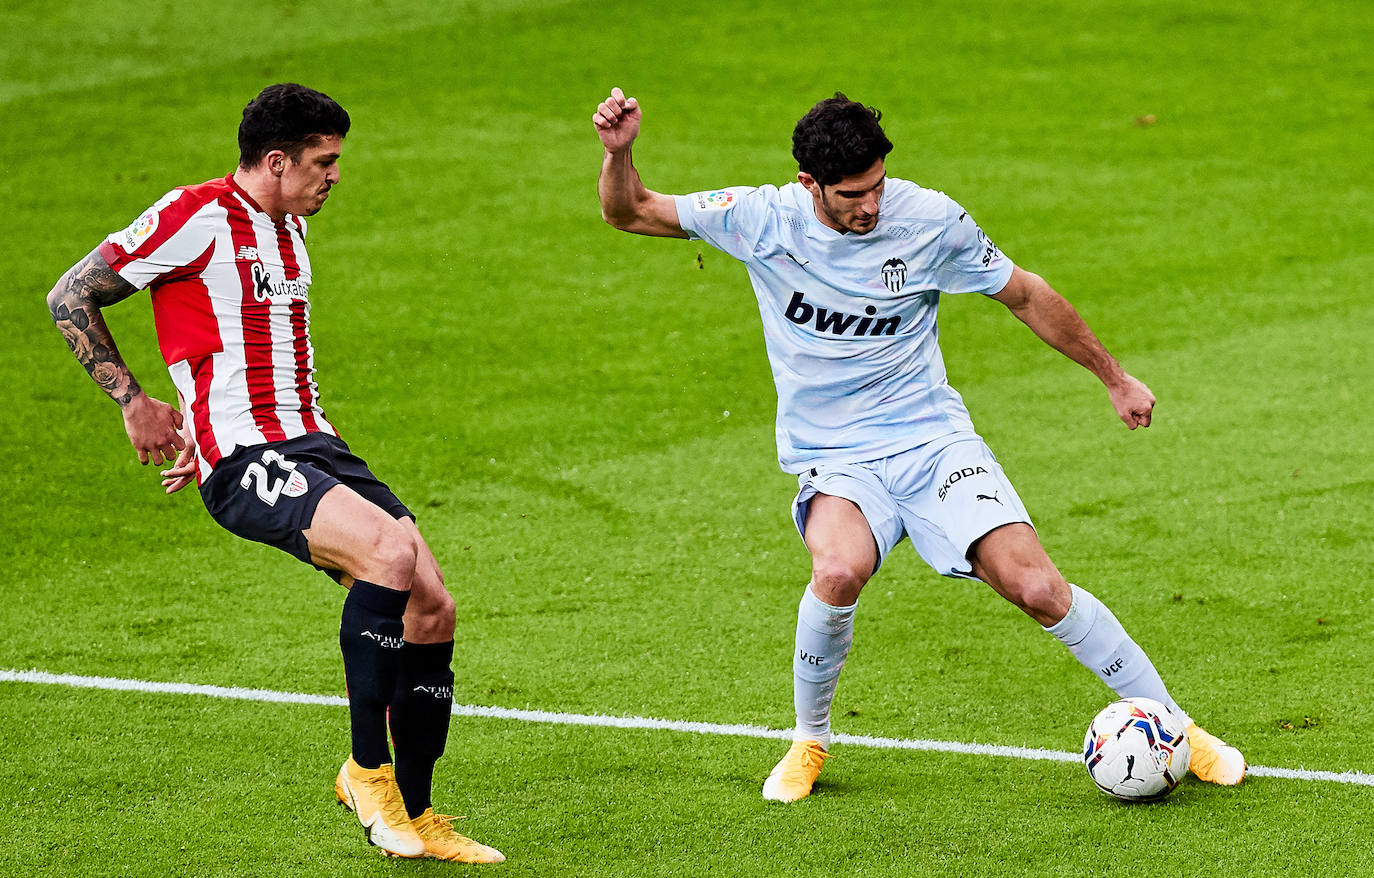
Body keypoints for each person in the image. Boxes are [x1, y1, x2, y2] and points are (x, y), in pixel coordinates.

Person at [592, 87, 1245, 802]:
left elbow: (1024, 293)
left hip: (932, 441)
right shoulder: (759, 218)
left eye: (875, 186)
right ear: (810, 184)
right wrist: (620, 153)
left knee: (1037, 587)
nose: (869, 206)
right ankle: (810, 738)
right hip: (838, 458)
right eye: (850, 195)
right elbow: (630, 210)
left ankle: (1177, 727)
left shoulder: (930, 220)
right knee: (838, 572)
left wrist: (1114, 378)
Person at [47, 83, 504, 862]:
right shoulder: (194, 215)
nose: (334, 176)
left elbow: (226, 350)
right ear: (275, 160)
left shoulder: (290, 230)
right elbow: (69, 295)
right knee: (387, 557)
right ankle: (368, 773)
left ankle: (420, 815)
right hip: (247, 459)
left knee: (433, 608)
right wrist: (135, 402)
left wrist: (193, 410)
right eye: (323, 162)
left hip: (316, 446)